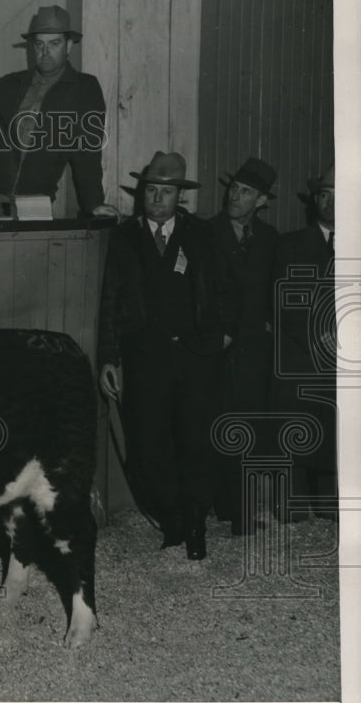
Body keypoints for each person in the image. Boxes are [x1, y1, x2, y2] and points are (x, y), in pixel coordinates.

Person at [97, 151, 237, 560]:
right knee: (150, 445)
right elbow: (111, 300)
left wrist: (225, 337)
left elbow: (228, 291)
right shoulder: (125, 237)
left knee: (194, 442)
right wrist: (109, 357)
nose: (157, 198)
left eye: (167, 192)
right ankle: (172, 521)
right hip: (144, 363)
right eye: (151, 190)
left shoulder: (201, 235)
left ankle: (196, 526)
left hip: (196, 361)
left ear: (181, 197)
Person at [0, 5, 116, 218]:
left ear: (68, 46)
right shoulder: (12, 83)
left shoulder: (84, 89)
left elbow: (88, 154)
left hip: (35, 202)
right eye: (39, 44)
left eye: (54, 44)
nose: (45, 52)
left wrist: (94, 203)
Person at [209, 158, 280, 534]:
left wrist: (268, 326)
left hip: (254, 352)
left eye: (246, 192)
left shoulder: (269, 239)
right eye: (233, 187)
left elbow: (272, 290)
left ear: (262, 201)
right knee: (216, 425)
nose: (235, 196)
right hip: (215, 350)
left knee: (248, 428)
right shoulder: (205, 233)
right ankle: (223, 507)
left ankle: (240, 512)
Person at [271, 163, 337, 521]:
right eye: (324, 196)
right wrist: (322, 336)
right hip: (302, 354)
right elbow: (285, 303)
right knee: (297, 427)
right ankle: (290, 504)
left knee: (338, 427)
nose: (330, 204)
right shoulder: (291, 245)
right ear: (314, 201)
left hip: (346, 356)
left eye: (340, 198)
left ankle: (332, 503)